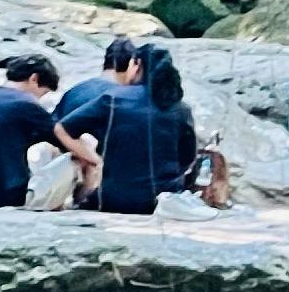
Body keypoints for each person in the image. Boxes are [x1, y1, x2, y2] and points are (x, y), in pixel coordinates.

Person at [83, 42, 207, 216]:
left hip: (114, 198)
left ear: (137, 64)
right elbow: (188, 156)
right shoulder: (180, 107)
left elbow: (63, 129)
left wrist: (98, 161)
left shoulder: (114, 98)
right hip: (164, 198)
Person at [0, 54, 91, 207]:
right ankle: (82, 204)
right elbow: (65, 139)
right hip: (10, 197)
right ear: (34, 78)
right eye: (43, 93)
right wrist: (95, 160)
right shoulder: (25, 104)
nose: (40, 100)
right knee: (78, 156)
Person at [50, 38, 141, 209]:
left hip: (62, 171)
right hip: (97, 179)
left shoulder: (75, 90)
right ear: (132, 65)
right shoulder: (121, 97)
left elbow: (54, 126)